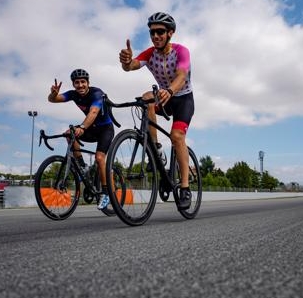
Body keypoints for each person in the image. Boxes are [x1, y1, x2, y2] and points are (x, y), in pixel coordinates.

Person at [119, 12, 194, 210]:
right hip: (163, 97)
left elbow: (182, 74)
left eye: (160, 32)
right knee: (146, 98)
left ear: (171, 33)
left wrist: (170, 90)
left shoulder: (181, 51)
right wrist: (126, 62)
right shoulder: (150, 53)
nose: (155, 36)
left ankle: (185, 187)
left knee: (177, 137)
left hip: (182, 99)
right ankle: (156, 150)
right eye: (152, 32)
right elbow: (131, 66)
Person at [48, 69, 114, 211]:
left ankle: (106, 193)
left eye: (83, 82)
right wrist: (53, 94)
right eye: (77, 83)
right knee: (69, 134)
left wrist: (83, 127)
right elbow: (52, 100)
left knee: (100, 157)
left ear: (88, 83)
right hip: (91, 128)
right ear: (73, 84)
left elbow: (94, 112)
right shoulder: (73, 94)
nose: (80, 85)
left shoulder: (97, 93)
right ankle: (82, 166)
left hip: (105, 129)